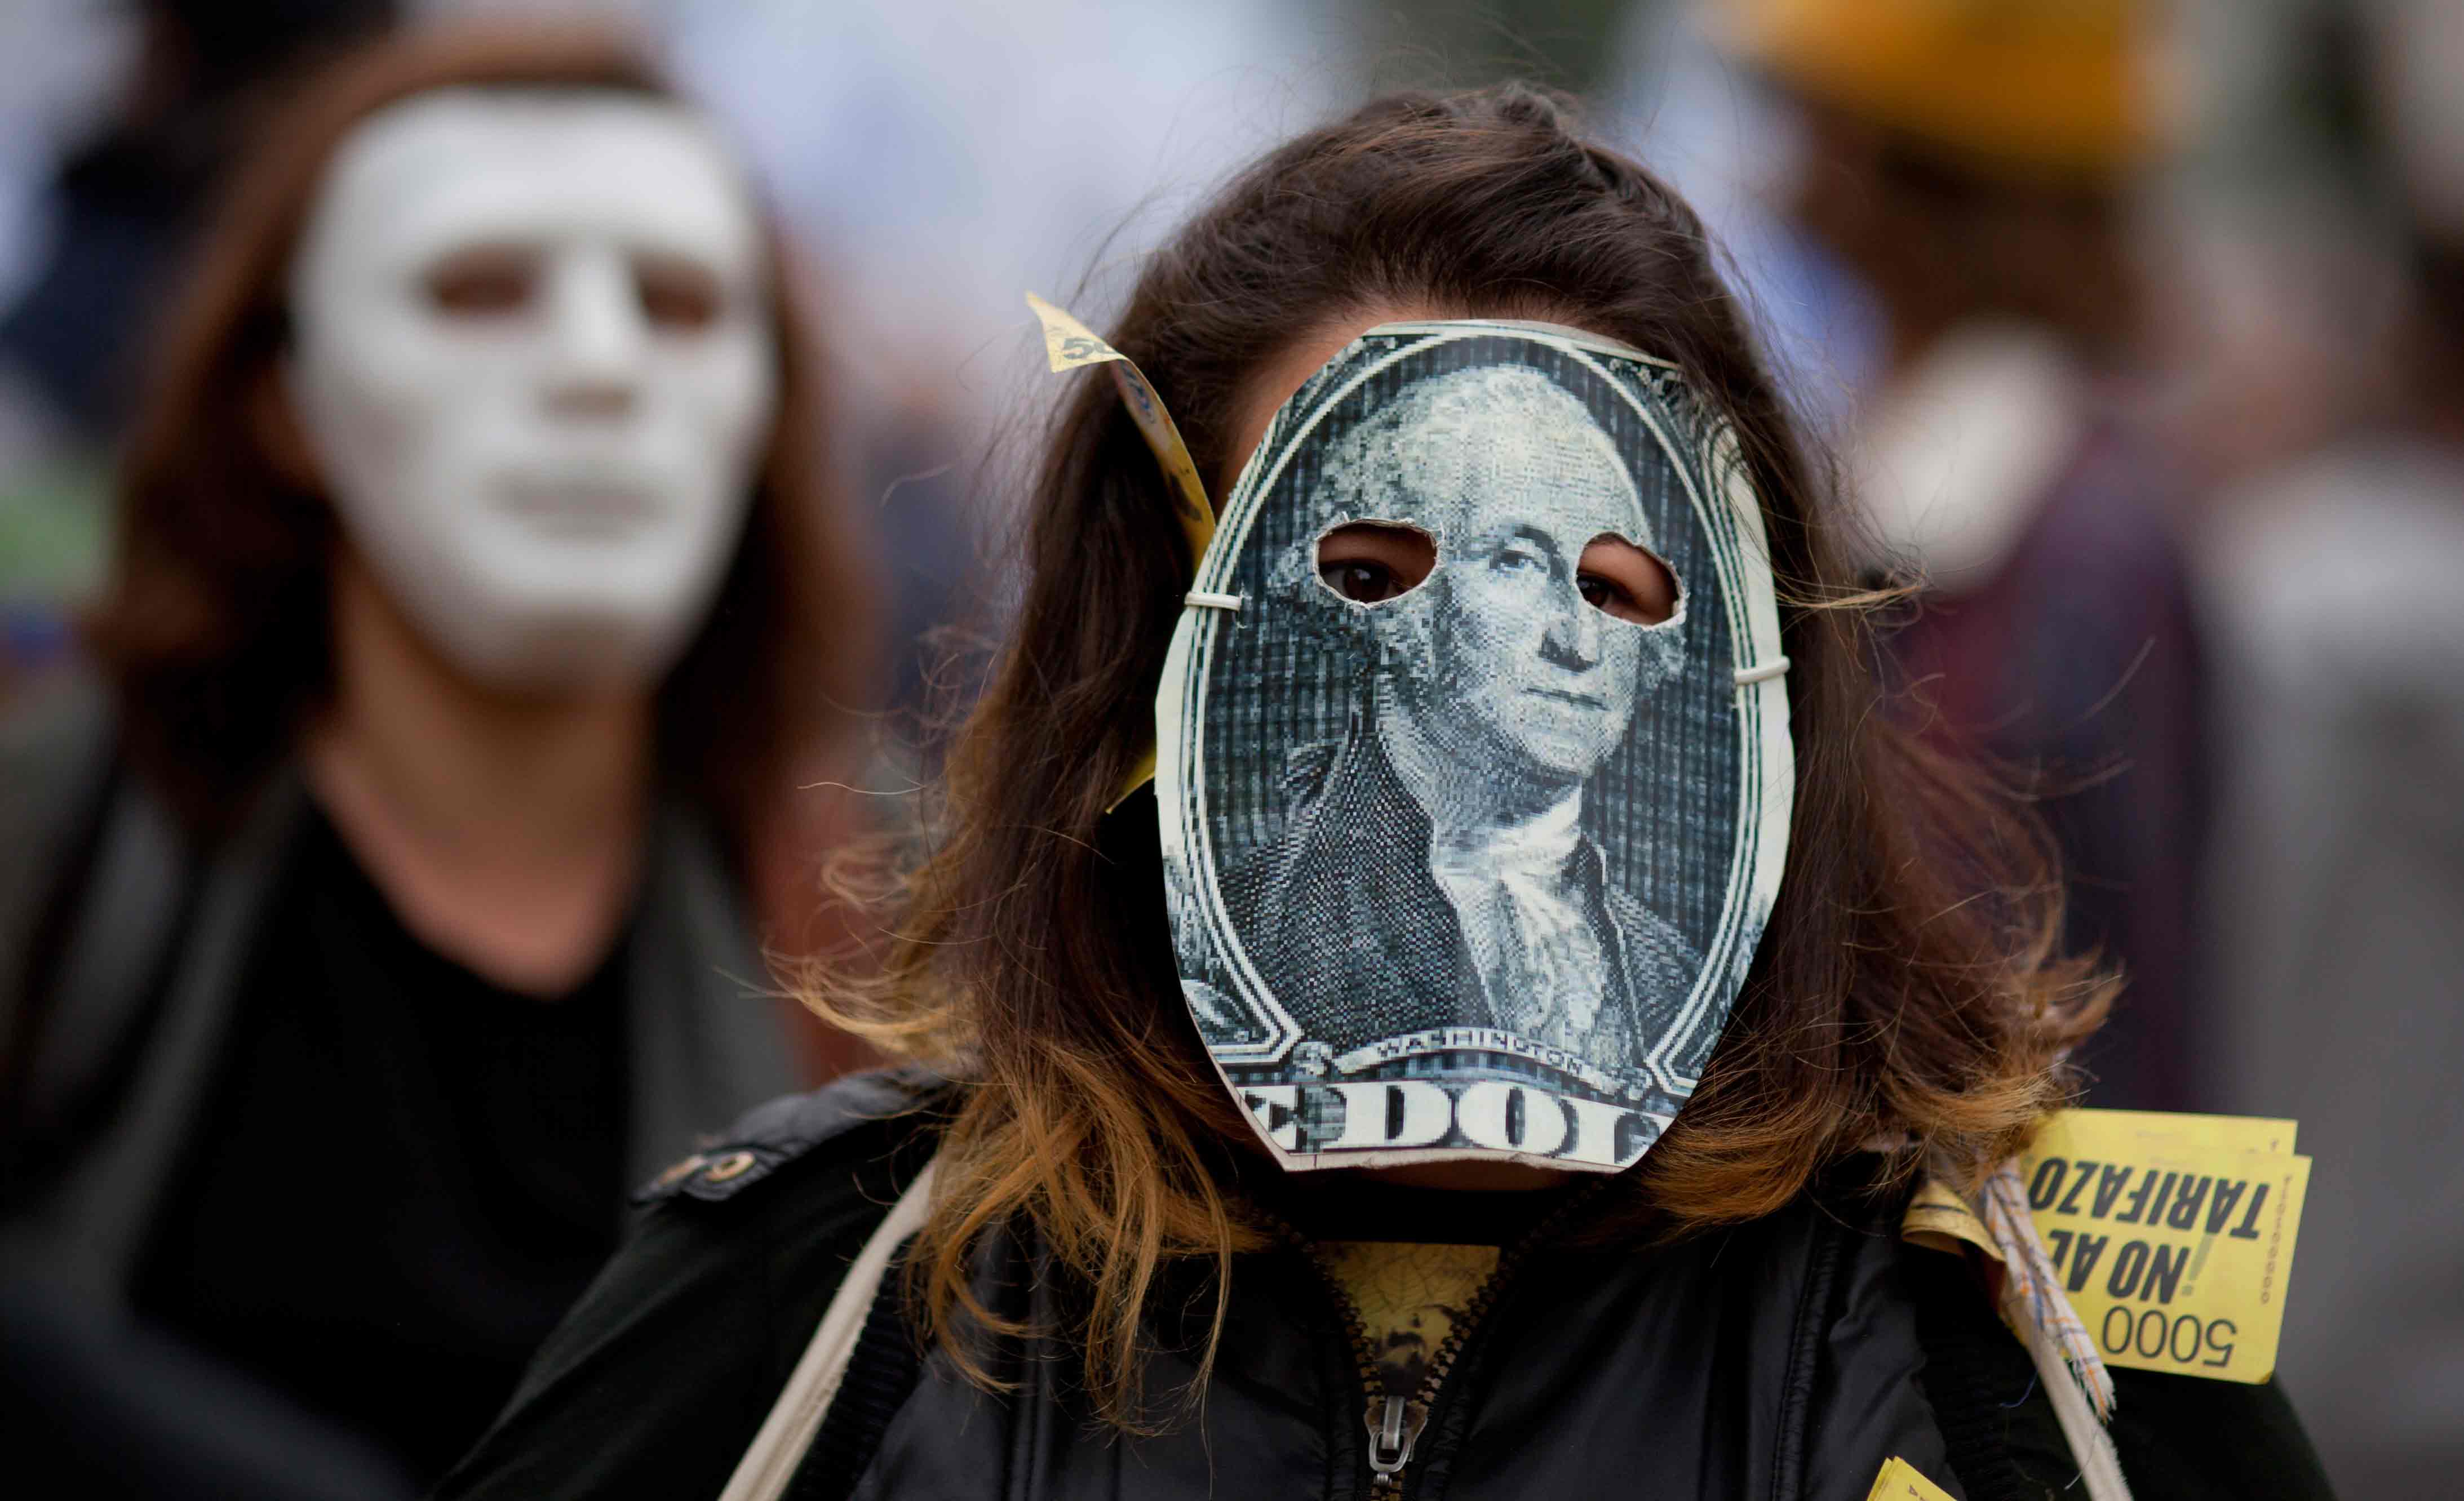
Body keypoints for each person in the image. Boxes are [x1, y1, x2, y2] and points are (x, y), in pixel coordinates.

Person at [438, 87, 2324, 1500]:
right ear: (1164, 641)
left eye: (1617, 575)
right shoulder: (817, 1308)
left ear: (1748, 656)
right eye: (1386, 562)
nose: (1554, 632)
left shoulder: (2029, 1358)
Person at [0, 25, 875, 1492]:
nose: (596, 370)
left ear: (767, 401)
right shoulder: (57, 841)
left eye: (675, 305)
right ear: (288, 400)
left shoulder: (885, 928)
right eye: (477, 290)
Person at [1226, 364, 1697, 1062]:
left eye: (1602, 584)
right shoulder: (1252, 931)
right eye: (1515, 561)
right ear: (1389, 594)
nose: (1579, 640)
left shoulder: (1675, 976)